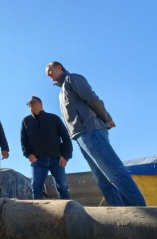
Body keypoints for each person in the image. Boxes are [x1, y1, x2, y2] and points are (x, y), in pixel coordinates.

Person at [46, 61, 146, 206]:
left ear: (59, 67)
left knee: (114, 172)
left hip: (91, 131)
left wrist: (107, 118)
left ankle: (142, 212)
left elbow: (92, 99)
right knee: (101, 179)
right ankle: (120, 213)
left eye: (50, 70)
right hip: (80, 136)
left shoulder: (72, 78)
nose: (48, 74)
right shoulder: (61, 91)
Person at [20, 96, 72, 200]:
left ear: (41, 104)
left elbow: (66, 138)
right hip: (38, 161)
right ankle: (39, 210)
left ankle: (67, 208)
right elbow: (23, 141)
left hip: (56, 159)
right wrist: (28, 154)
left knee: (62, 187)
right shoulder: (26, 121)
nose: (30, 104)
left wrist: (65, 156)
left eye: (33, 102)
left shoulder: (54, 118)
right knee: (36, 187)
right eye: (29, 103)